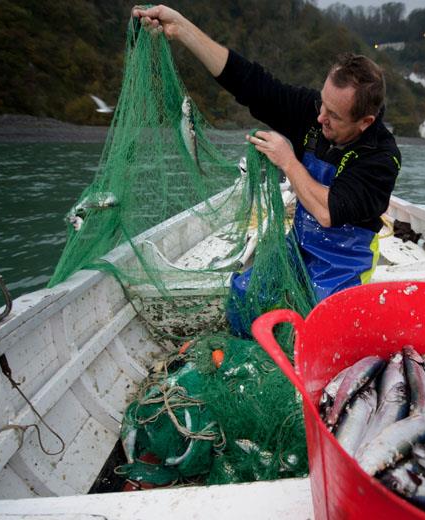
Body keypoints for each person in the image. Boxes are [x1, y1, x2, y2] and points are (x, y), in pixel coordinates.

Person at [133, 5, 401, 331]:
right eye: (322, 104)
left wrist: (287, 160)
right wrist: (182, 29)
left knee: (323, 323)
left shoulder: (382, 159)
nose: (320, 118)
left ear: (365, 122)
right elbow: (252, 84)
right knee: (246, 293)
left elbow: (329, 211)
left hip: (344, 262)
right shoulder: (313, 111)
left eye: (333, 116)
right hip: (300, 243)